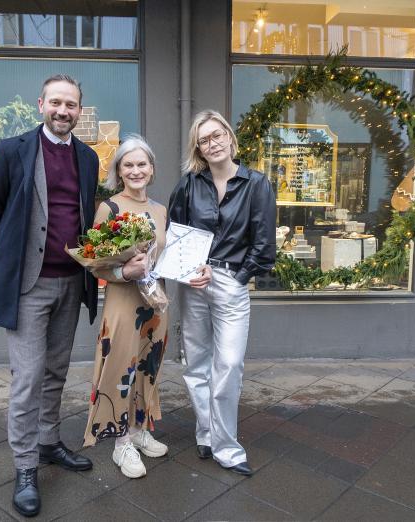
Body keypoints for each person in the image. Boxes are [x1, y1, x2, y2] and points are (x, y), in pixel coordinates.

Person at [0, 74, 98, 518]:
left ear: (79, 112)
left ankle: (49, 443)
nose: (63, 111)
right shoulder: (12, 150)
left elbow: (84, 212)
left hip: (72, 282)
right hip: (29, 285)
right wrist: (14, 254)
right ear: (41, 105)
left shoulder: (87, 158)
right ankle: (25, 466)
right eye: (56, 103)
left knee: (55, 372)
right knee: (27, 380)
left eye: (71, 105)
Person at [81, 134, 202, 478]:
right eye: (128, 164)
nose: (136, 170)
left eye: (142, 164)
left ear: (152, 169)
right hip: (122, 303)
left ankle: (138, 430)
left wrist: (191, 267)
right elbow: (94, 262)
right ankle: (121, 445)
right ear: (119, 170)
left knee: (148, 369)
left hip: (155, 302)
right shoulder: (110, 208)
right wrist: (122, 270)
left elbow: (166, 257)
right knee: (120, 369)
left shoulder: (160, 209)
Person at [168, 109, 275, 476]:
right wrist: (184, 273)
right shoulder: (188, 184)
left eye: (217, 136)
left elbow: (264, 245)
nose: (212, 144)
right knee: (196, 364)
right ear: (197, 147)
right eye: (204, 139)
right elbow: (175, 235)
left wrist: (237, 277)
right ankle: (206, 432)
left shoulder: (256, 184)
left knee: (228, 365)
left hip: (230, 282)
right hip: (193, 285)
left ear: (229, 137)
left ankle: (227, 447)